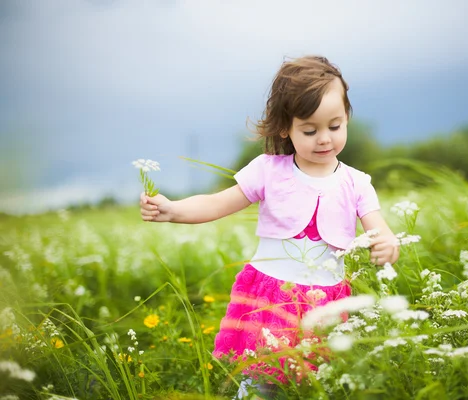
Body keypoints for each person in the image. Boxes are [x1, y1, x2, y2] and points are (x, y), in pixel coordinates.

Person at [139, 55, 399, 397]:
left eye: (334, 126)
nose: (324, 139)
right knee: (263, 379)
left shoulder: (357, 183)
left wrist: (387, 243)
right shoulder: (269, 170)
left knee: (317, 384)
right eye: (310, 130)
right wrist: (172, 210)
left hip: (327, 300)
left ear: (346, 118)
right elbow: (218, 203)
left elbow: (378, 227)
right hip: (272, 296)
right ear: (285, 128)